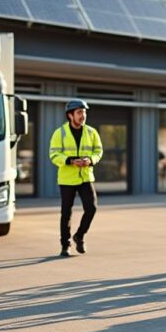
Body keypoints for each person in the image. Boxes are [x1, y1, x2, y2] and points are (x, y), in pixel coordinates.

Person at [49, 99, 104, 257]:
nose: (83, 115)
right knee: (66, 213)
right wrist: (70, 161)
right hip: (67, 179)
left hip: (86, 177)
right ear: (70, 115)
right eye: (79, 112)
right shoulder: (60, 133)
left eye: (84, 112)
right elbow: (53, 154)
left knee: (91, 208)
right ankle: (65, 245)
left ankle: (79, 236)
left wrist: (91, 160)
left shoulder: (91, 132)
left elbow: (98, 151)